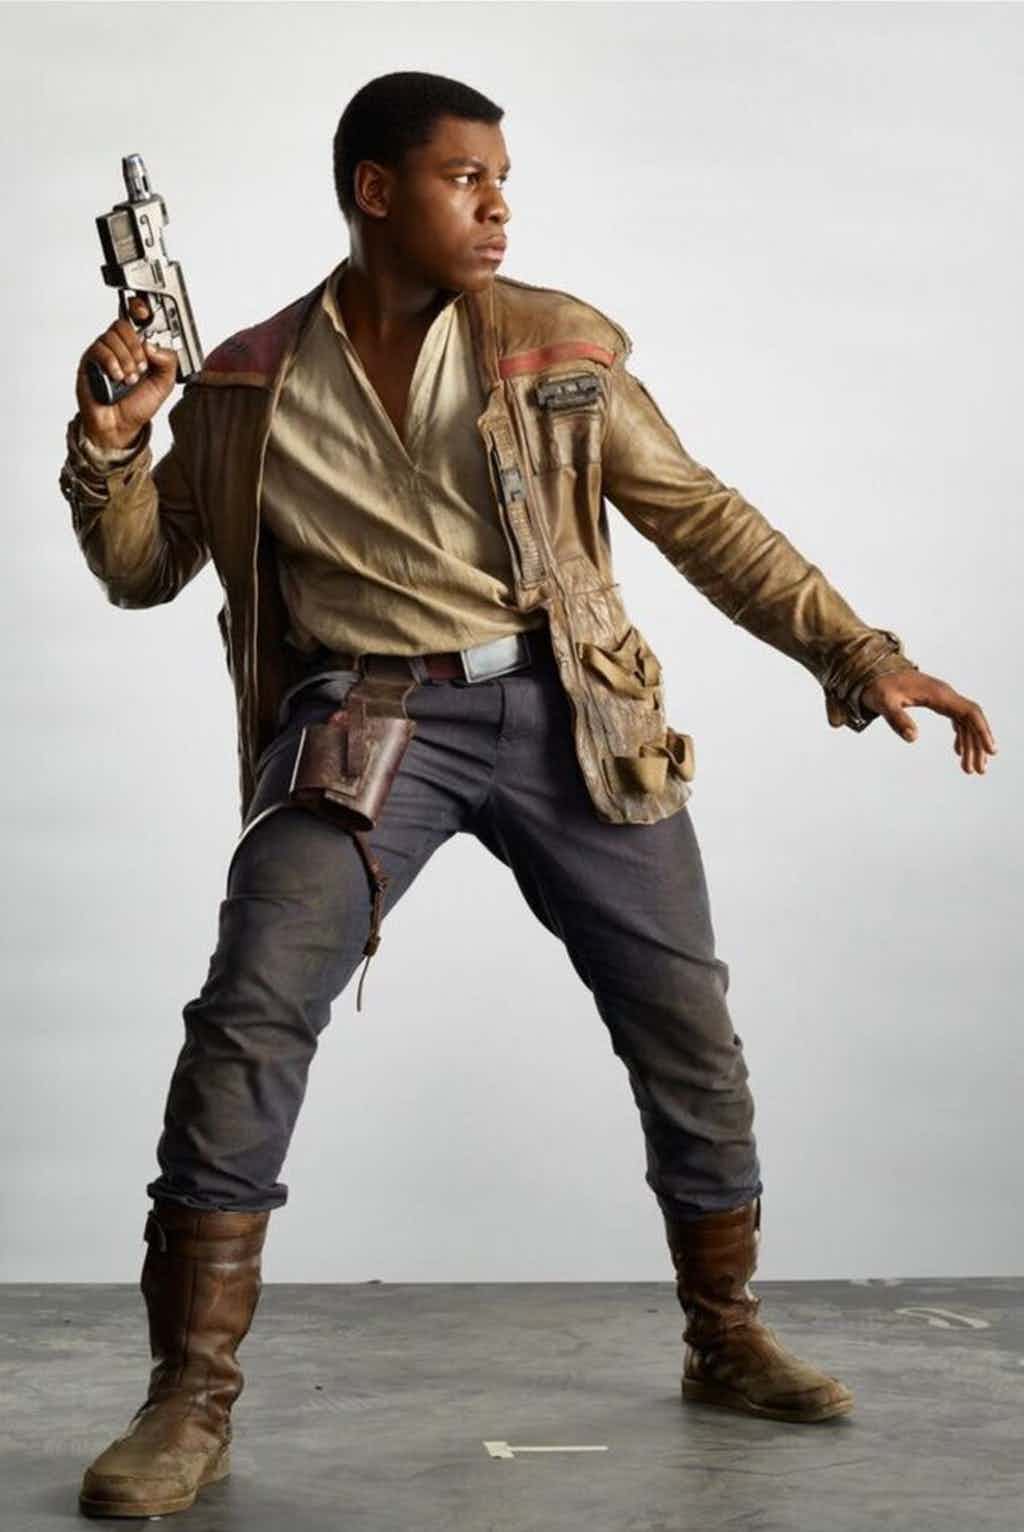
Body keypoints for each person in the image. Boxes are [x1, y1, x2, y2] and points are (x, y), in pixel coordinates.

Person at [61, 70, 996, 1520]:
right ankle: (188, 1399)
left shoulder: (557, 348)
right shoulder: (246, 381)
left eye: (504, 180)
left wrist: (861, 654)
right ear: (376, 192)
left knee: (683, 1020)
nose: (498, 206)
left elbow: (699, 515)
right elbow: (141, 570)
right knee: (249, 1013)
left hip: (575, 711)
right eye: (466, 178)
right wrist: (115, 439)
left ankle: (726, 1334)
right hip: (368, 721)